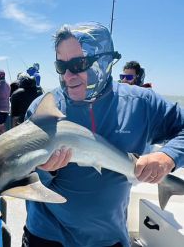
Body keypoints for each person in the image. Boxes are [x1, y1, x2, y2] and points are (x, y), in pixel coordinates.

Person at [21, 22, 184, 247]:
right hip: (46, 235)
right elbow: (20, 176)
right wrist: (43, 169)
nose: (68, 75)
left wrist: (169, 157)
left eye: (79, 64)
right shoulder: (43, 109)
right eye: (61, 65)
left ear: (105, 61)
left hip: (107, 237)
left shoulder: (142, 104)